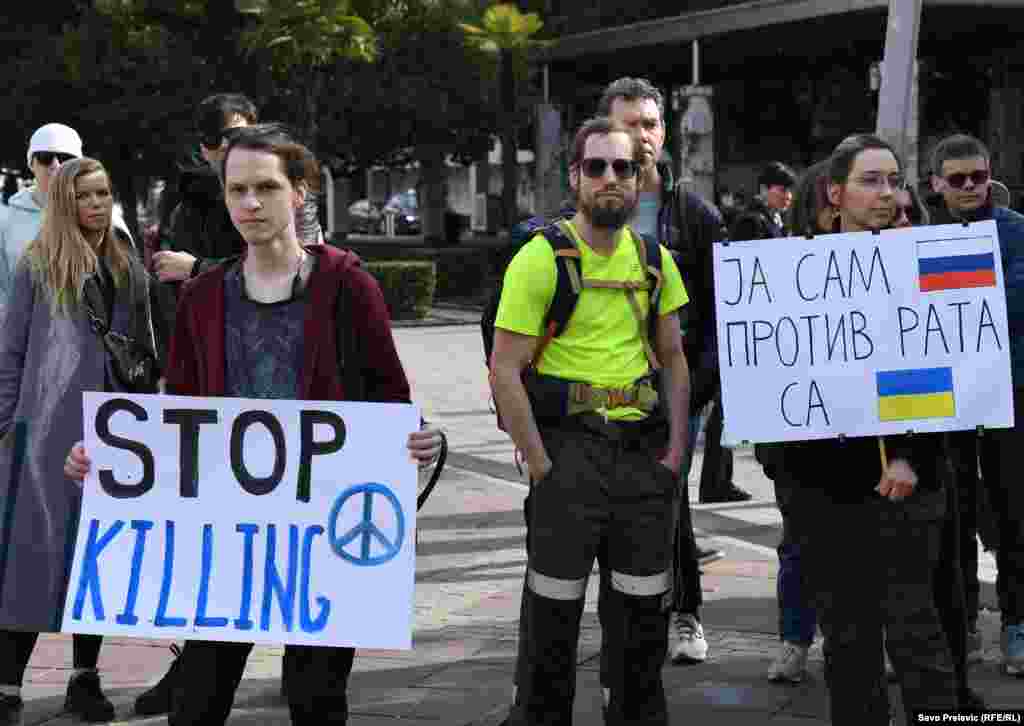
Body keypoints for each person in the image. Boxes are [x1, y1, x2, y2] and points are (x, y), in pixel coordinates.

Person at [66, 125, 441, 725]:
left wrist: (416, 438)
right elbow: (177, 414)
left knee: (316, 698)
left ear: (299, 192)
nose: (250, 203)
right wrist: (107, 459)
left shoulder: (350, 288)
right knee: (194, 703)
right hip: (226, 534)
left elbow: (389, 401)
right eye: (237, 189)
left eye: (266, 187)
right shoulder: (204, 296)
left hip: (320, 533)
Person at [491, 116, 690, 725]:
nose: (611, 178)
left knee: (642, 613)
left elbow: (675, 356)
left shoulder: (656, 261)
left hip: (641, 460)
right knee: (552, 616)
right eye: (596, 167)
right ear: (574, 176)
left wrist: (677, 453)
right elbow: (505, 368)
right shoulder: (539, 258)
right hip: (568, 457)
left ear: (641, 177)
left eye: (624, 167)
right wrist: (540, 462)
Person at [778, 135, 959, 725]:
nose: (886, 194)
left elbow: (943, 374)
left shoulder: (923, 263)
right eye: (871, 181)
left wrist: (908, 456)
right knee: (849, 641)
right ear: (836, 192)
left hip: (910, 485)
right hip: (827, 491)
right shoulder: (793, 274)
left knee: (917, 633)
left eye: (893, 180)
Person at [0, 157, 164, 724]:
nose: (96, 204)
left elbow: (145, 349)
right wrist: (5, 427)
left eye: (103, 194)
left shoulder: (126, 264)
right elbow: (11, 352)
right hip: (45, 431)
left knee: (96, 555)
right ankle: (6, 684)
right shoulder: (38, 265)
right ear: (65, 203)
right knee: (33, 553)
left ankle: (84, 677)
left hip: (113, 430)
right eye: (85, 196)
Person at [598, 76, 724, 665]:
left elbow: (722, 313)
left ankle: (685, 614)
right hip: (599, 391)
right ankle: (627, 615)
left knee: (668, 497)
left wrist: (697, 388)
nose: (640, 136)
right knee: (612, 505)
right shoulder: (584, 209)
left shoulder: (694, 216)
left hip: (674, 390)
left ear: (663, 132)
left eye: (649, 123)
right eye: (628, 124)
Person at [926, 133, 1024, 677]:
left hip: (1010, 398)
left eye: (978, 177)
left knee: (1016, 516)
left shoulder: (1017, 233)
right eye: (957, 179)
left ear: (990, 176)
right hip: (944, 401)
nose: (969, 188)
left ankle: (1016, 623)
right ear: (937, 182)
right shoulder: (917, 236)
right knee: (952, 517)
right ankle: (962, 624)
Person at [151, 94, 322, 337]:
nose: (223, 146)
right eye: (211, 139)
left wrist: (198, 268)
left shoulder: (290, 186)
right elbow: (173, 288)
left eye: (233, 135)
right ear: (202, 147)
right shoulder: (186, 202)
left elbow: (299, 267)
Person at [759, 160, 832, 684]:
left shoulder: (883, 263)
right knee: (799, 546)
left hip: (862, 441)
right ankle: (795, 640)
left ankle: (852, 637)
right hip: (799, 443)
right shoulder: (780, 266)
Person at [0, 123, 133, 311]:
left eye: (66, 158)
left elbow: (128, 288)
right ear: (31, 163)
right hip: (26, 334)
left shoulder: (105, 218)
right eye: (46, 158)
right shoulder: (7, 220)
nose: (56, 165)